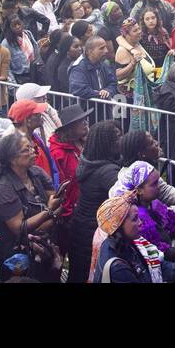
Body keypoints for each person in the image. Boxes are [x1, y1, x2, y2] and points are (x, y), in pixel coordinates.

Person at [0, 131, 63, 281]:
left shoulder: (35, 173)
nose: (32, 151)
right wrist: (49, 212)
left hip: (45, 249)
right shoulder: (3, 189)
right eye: (26, 150)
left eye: (31, 147)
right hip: (21, 261)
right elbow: (19, 229)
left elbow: (56, 199)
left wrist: (50, 214)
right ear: (12, 159)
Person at [93, 193, 175, 283]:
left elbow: (155, 265)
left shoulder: (129, 242)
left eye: (139, 217)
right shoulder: (117, 268)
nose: (140, 222)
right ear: (118, 226)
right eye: (134, 219)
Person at [67, 120, 122, 284]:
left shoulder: (88, 161)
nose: (122, 139)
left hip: (81, 227)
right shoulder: (107, 172)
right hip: (92, 232)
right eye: (118, 137)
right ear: (107, 143)